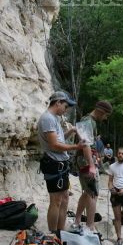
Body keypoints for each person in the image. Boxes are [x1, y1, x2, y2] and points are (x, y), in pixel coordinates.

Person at [36, 91, 84, 235]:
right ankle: (53, 233)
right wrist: (76, 147)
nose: (67, 109)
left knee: (63, 199)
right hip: (53, 163)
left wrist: (72, 131)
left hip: (60, 164)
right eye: (66, 105)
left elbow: (60, 139)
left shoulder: (54, 118)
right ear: (58, 103)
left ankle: (60, 232)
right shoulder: (47, 119)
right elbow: (54, 145)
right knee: (56, 200)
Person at [72, 100, 113, 233]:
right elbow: (86, 144)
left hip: (86, 159)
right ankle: (90, 226)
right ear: (101, 111)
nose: (105, 118)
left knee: (88, 191)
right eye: (106, 115)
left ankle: (77, 220)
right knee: (93, 193)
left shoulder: (90, 121)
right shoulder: (88, 121)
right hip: (85, 160)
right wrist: (91, 165)